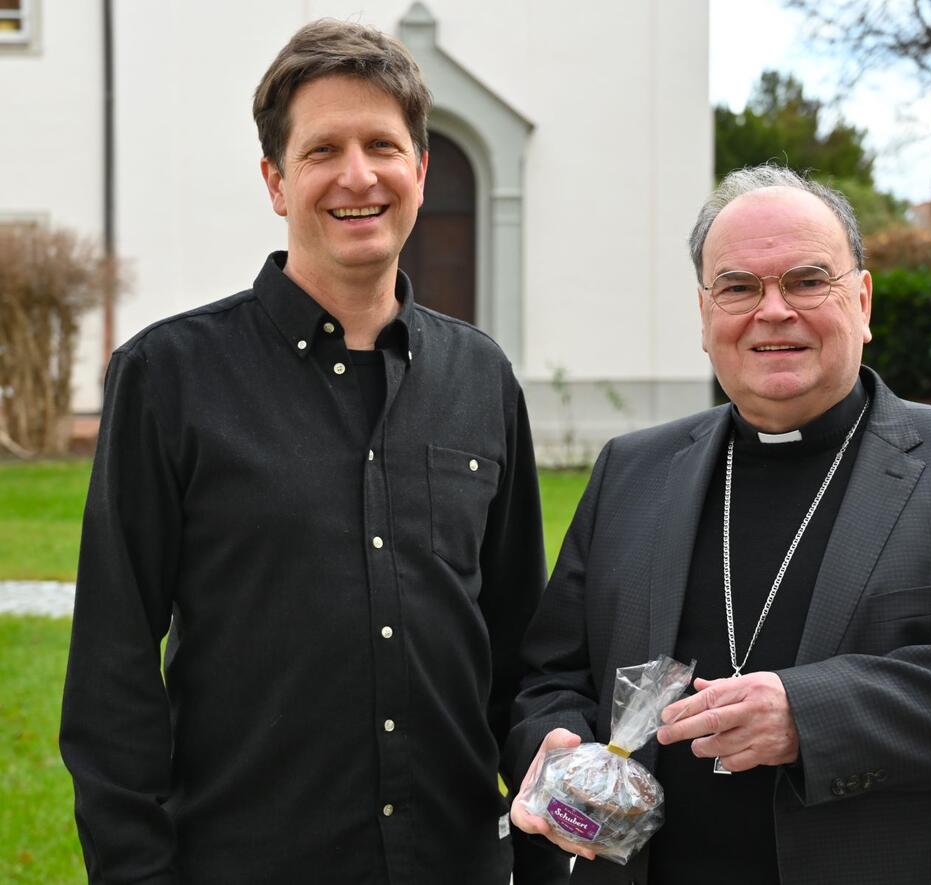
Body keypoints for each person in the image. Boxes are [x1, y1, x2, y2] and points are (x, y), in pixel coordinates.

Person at [506, 163, 931, 885]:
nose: (773, 310)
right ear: (705, 316)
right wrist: (556, 745)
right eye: (738, 287)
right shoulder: (631, 471)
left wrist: (814, 714)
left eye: (805, 280)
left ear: (862, 298)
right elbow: (551, 674)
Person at [60, 19, 559, 884]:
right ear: (275, 180)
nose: (357, 175)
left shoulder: (482, 377)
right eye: (323, 148)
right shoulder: (168, 376)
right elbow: (113, 665)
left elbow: (521, 654)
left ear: (421, 170)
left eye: (382, 146)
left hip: (455, 861)